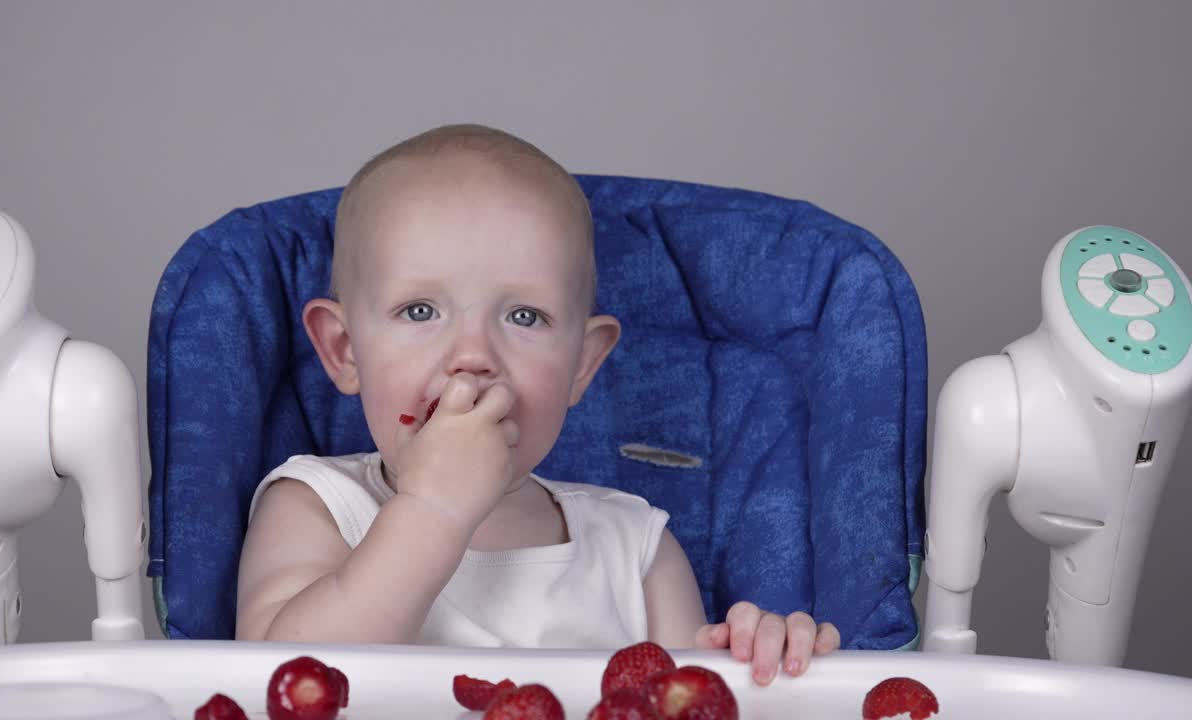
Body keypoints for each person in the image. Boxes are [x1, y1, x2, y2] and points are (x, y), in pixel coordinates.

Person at [235, 123, 840, 686]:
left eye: (525, 316)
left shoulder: (636, 549)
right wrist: (432, 509)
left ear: (581, 364)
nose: (472, 355)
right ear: (344, 351)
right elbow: (280, 682)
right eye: (420, 311)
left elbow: (689, 700)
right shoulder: (316, 506)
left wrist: (757, 658)